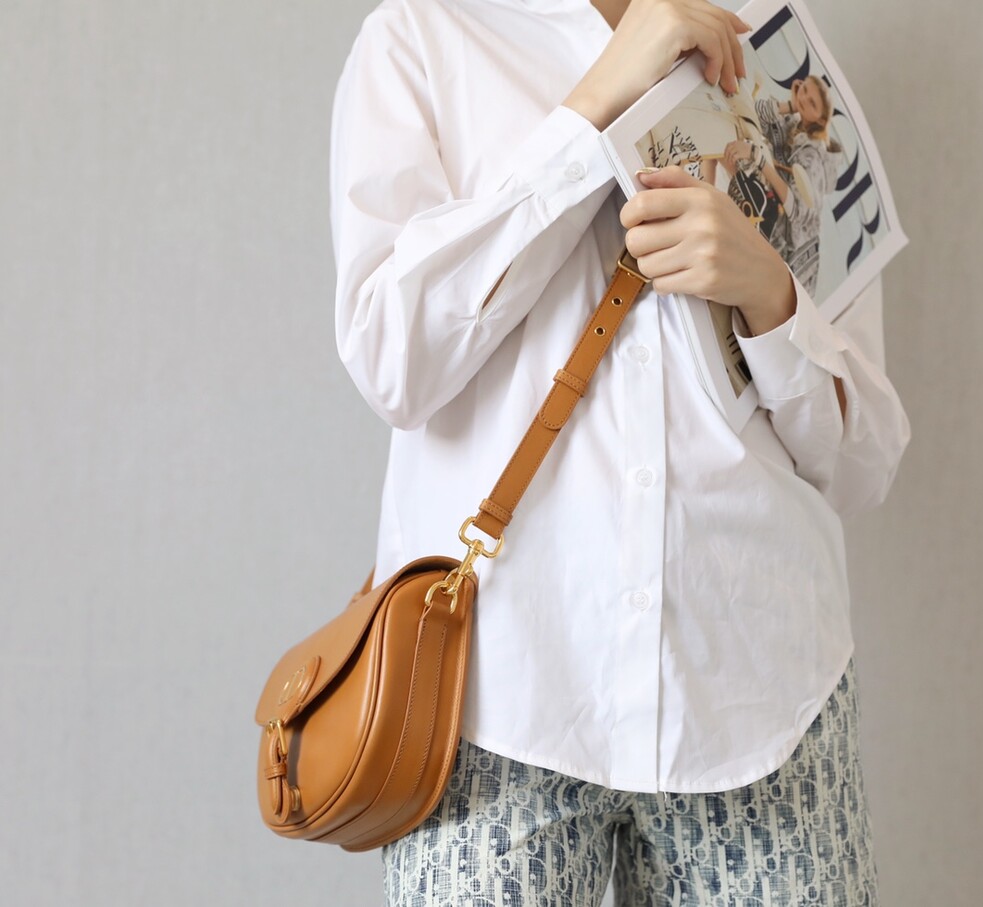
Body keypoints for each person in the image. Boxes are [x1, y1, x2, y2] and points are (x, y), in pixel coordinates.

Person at [330, 0, 910, 903]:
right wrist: (591, 108)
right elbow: (391, 362)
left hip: (763, 699)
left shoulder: (766, 40)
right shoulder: (420, 36)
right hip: (493, 707)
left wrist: (770, 298)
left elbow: (865, 460)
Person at [706, 74, 844, 295]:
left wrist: (757, 158)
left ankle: (708, 213)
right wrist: (790, 105)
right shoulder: (792, 122)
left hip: (786, 247)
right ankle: (704, 205)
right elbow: (753, 115)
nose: (804, 99)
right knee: (718, 145)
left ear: (820, 119)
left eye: (812, 103)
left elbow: (796, 209)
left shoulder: (813, 157)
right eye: (804, 90)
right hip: (767, 206)